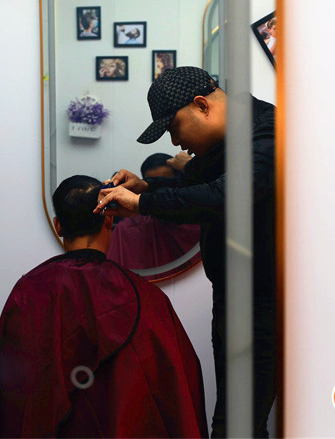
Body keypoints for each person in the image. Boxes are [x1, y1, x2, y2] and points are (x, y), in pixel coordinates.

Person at [95, 66, 276, 438]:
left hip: (265, 303)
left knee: (234, 426)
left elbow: (225, 195)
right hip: (231, 298)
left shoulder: (268, 133)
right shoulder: (220, 144)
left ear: (201, 106)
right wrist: (145, 188)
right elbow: (189, 186)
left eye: (174, 128)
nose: (175, 142)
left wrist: (142, 204)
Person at [0, 175, 208, 438]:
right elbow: (178, 387)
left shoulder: (29, 291)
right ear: (109, 220)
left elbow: (7, 395)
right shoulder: (147, 297)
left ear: (58, 226)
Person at [107, 153, 200, 270]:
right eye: (154, 187)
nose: (160, 194)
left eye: (166, 187)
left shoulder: (199, 221)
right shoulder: (127, 230)